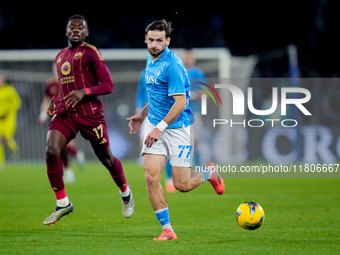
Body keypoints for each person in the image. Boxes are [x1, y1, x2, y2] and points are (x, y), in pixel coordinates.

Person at [126, 19, 224, 241]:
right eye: (151, 40)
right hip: (154, 124)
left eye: (159, 41)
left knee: (182, 185)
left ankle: (209, 173)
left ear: (168, 41)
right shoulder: (149, 60)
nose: (154, 44)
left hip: (178, 128)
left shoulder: (174, 65)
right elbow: (156, 96)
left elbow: (179, 103)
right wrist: (142, 115)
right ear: (145, 39)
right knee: (151, 178)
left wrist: (159, 128)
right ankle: (168, 229)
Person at [43, 14, 134, 225]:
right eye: (72, 27)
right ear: (66, 32)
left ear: (86, 32)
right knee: (51, 149)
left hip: (90, 114)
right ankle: (63, 202)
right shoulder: (60, 57)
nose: (75, 30)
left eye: (80, 27)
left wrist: (84, 92)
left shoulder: (92, 53)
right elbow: (66, 87)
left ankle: (125, 190)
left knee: (107, 159)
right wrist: (55, 99)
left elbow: (108, 85)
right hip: (66, 113)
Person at [39, 64, 86, 183]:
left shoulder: (71, 84)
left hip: (71, 118)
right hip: (56, 119)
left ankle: (76, 154)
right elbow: (46, 100)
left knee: (66, 145)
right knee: (57, 147)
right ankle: (69, 170)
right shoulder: (50, 84)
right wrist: (43, 114)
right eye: (55, 69)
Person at [135, 70, 175, 193]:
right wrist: (139, 107)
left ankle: (169, 179)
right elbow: (140, 91)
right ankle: (155, 180)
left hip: (163, 114)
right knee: (145, 143)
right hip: (148, 114)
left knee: (167, 147)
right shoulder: (144, 74)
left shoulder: (168, 73)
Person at [0, 74, 21, 167]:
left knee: (7, 138)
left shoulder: (10, 90)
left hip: (9, 119)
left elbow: (18, 102)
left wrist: (8, 111)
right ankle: (1, 162)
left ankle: (14, 148)